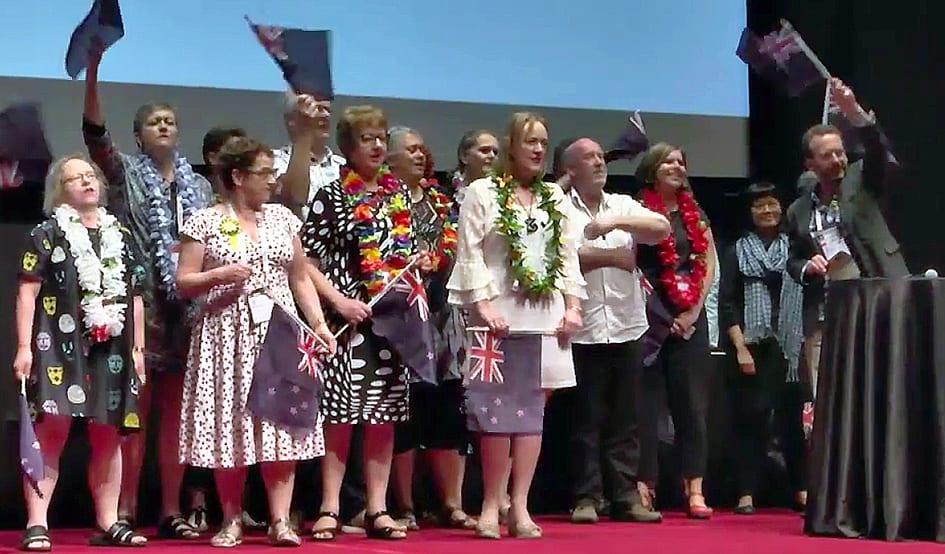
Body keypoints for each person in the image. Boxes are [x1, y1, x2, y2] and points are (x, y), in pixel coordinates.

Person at [175, 136, 336, 547]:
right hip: (224, 334)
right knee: (231, 425)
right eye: (264, 173)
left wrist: (318, 324)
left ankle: (280, 520)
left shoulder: (282, 219)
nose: (273, 180)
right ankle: (231, 518)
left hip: (279, 333)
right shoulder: (205, 221)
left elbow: (300, 275)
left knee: (280, 423)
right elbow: (184, 281)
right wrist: (218, 275)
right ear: (238, 176)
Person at [82, 43, 213, 539]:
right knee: (135, 412)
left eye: (169, 121)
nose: (163, 127)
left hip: (190, 308)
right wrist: (93, 70)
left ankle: (171, 508)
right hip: (142, 304)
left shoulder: (199, 188)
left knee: (178, 414)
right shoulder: (124, 175)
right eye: (153, 122)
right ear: (137, 135)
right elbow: (94, 136)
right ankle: (128, 509)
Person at [447, 112, 586, 539]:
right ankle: (491, 503)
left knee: (532, 414)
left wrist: (573, 306)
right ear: (511, 145)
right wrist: (483, 305)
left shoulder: (554, 198)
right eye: (530, 141)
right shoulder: (483, 192)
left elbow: (567, 257)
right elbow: (468, 253)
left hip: (544, 318)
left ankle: (520, 505)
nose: (539, 149)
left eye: (544, 141)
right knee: (494, 412)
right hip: (497, 317)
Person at [302, 105, 428, 541]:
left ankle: (377, 508)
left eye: (380, 139)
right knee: (339, 415)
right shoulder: (331, 194)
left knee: (383, 414)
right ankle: (331, 507)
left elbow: (401, 256)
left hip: (390, 323)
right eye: (366, 139)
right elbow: (304, 262)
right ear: (347, 147)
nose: (376, 146)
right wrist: (339, 301)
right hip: (345, 323)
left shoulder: (398, 197)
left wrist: (420, 264)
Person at [13, 154, 147, 549]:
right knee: (50, 430)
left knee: (109, 434)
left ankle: (108, 522)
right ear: (61, 189)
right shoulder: (46, 233)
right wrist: (23, 348)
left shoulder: (119, 233)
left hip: (113, 347)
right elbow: (28, 290)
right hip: (57, 344)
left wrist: (138, 349)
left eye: (90, 176)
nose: (87, 183)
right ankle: (37, 522)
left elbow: (136, 295)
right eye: (76, 179)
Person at [563, 138, 671, 524]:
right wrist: (613, 256)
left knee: (627, 419)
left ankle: (626, 496)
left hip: (627, 325)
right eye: (588, 158)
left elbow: (660, 228)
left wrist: (614, 223)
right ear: (571, 169)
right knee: (585, 419)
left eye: (599, 155)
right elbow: (566, 256)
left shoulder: (621, 204)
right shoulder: (559, 208)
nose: (598, 162)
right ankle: (587, 498)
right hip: (582, 327)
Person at [785, 78, 908, 393]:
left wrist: (854, 112)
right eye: (828, 156)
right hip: (829, 310)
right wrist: (805, 267)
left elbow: (877, 149)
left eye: (840, 153)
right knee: (832, 392)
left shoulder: (862, 179)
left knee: (886, 385)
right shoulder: (798, 210)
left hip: (879, 296)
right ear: (810, 163)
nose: (838, 160)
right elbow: (793, 259)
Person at [386, 126, 475, 530]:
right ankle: (403, 504)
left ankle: (451, 503)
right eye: (411, 150)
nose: (421, 155)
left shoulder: (441, 204)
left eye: (424, 149)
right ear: (389, 157)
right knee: (403, 410)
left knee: (447, 407)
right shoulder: (381, 203)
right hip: (400, 319)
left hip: (442, 318)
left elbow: (456, 251)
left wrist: (441, 259)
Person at [634, 143, 717, 519]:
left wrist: (694, 310)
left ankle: (694, 487)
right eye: (668, 160)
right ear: (652, 169)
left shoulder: (694, 213)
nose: (676, 166)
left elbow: (708, 261)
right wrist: (661, 315)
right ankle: (644, 486)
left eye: (681, 161)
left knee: (691, 405)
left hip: (688, 317)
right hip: (649, 318)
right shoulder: (636, 211)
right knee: (645, 406)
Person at [720, 182, 808, 515]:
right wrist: (741, 348)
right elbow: (727, 303)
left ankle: (801, 488)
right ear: (749, 213)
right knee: (750, 421)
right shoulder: (736, 251)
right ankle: (745, 492)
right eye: (759, 206)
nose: (767, 211)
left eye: (772, 204)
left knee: (791, 422)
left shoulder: (796, 249)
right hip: (750, 346)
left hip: (789, 347)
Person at [273, 92, 345, 221]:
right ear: (291, 120)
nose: (325, 115)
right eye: (317, 109)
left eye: (328, 110)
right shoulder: (272, 162)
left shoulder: (344, 167)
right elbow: (293, 198)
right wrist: (304, 134)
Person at [449, 130, 499, 206]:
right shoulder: (445, 194)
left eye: (495, 152)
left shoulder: (503, 195)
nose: (492, 156)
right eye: (484, 150)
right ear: (464, 156)